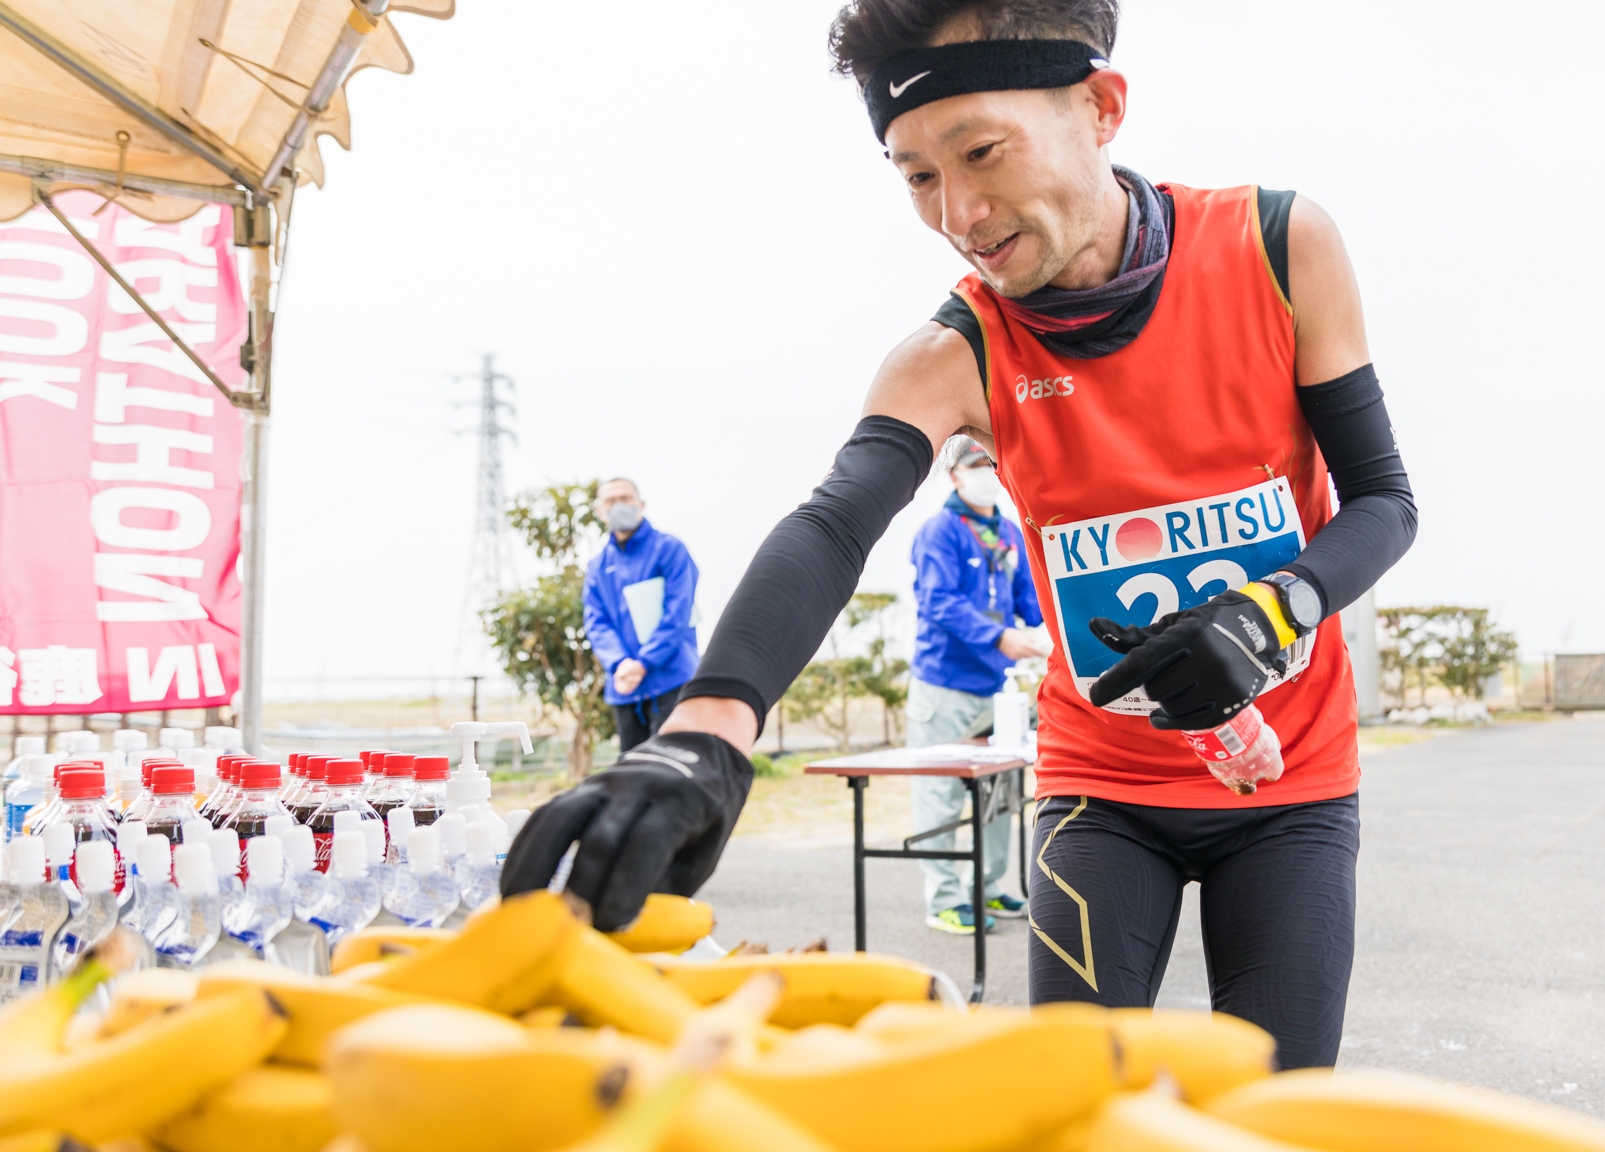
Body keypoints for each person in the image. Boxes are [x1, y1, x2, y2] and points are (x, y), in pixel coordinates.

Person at [505, 0, 1416, 1071]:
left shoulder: (1277, 246)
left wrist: (1275, 609)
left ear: (1102, 106)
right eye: (917, 177)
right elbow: (835, 523)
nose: (960, 212)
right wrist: (705, 733)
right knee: (1070, 1117)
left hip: (1293, 787)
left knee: (1281, 1116)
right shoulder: (952, 354)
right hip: (1101, 790)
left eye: (981, 151)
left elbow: (1384, 502)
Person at [907, 439, 1044, 934]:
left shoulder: (1007, 531)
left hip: (998, 686)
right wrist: (998, 635)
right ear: (955, 477)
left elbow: (1030, 596)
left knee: (998, 791)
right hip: (945, 682)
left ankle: (986, 888)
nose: (986, 471)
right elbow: (938, 601)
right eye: (975, 465)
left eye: (992, 463)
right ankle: (944, 898)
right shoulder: (939, 532)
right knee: (939, 792)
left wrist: (1047, 633)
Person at [581, 477, 699, 753]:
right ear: (600, 511)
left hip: (672, 679)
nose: (619, 505)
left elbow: (677, 612)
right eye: (610, 501)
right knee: (631, 772)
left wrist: (645, 662)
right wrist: (620, 663)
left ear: (641, 504)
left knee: (672, 770)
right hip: (625, 687)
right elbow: (596, 622)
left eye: (626, 498)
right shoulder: (598, 567)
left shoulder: (670, 550)